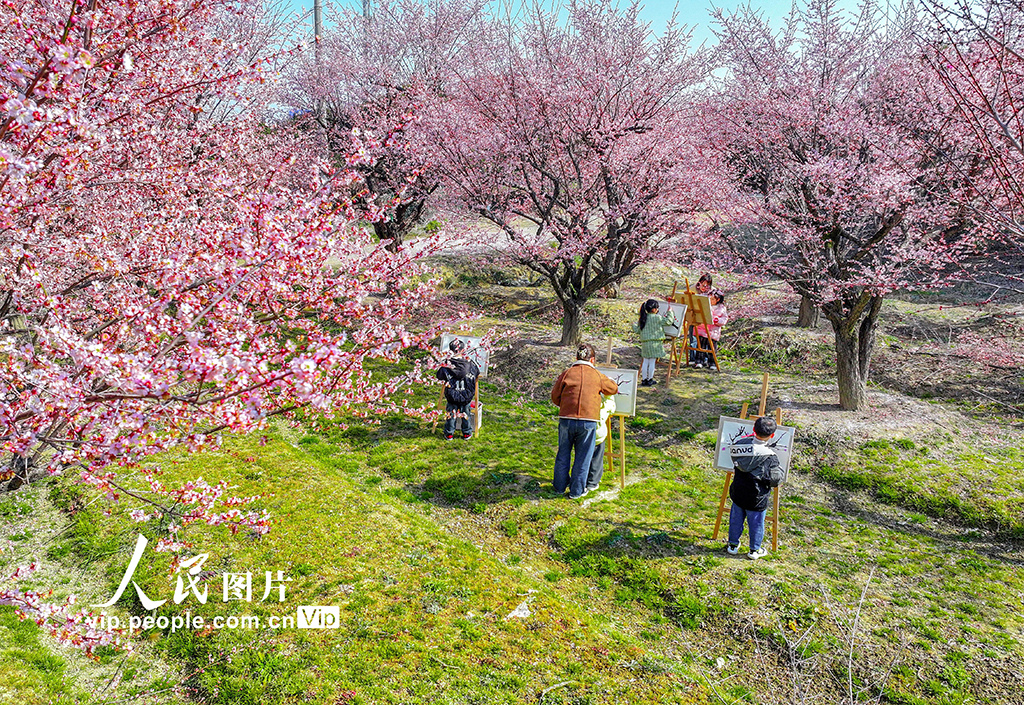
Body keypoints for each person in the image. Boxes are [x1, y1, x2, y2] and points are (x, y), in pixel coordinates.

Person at [551, 343, 619, 499]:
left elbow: (555, 396)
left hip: (566, 418)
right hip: (588, 420)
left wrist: (566, 405)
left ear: (576, 357)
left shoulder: (567, 373)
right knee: (583, 457)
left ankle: (559, 486)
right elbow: (613, 389)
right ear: (592, 359)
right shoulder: (596, 375)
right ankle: (576, 491)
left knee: (563, 453)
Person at [727, 416, 784, 559]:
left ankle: (732, 545)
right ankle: (754, 550)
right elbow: (775, 480)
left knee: (735, 520)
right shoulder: (771, 457)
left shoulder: (739, 445)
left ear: (753, 430)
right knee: (756, 524)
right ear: (772, 435)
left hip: (738, 492)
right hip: (757, 498)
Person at [436, 339, 480, 440]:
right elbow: (476, 373)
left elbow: (439, 375)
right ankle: (467, 433)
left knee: (451, 413)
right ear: (463, 350)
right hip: (466, 395)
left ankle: (449, 433)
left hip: (452, 394)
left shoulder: (446, 365)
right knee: (466, 413)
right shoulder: (471, 364)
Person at [633, 299, 678, 387]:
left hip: (645, 343)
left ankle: (643, 379)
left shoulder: (643, 318)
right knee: (652, 362)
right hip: (655, 343)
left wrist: (633, 324)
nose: (658, 310)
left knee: (646, 361)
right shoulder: (657, 318)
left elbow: (637, 330)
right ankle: (650, 379)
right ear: (654, 309)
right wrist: (670, 312)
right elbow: (669, 321)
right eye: (657, 308)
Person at [586, 392, 618, 493]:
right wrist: (609, 395)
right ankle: (592, 482)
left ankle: (581, 480)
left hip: (583, 434)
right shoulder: (604, 407)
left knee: (584, 457)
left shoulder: (586, 403)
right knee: (596, 458)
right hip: (598, 436)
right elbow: (610, 405)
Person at [692, 289, 728, 369]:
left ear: (718, 300)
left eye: (712, 299)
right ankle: (699, 361)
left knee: (712, 347)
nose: (710, 301)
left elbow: (725, 319)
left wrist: (717, 320)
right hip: (702, 329)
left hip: (713, 331)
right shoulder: (705, 305)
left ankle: (712, 363)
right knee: (700, 346)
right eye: (709, 298)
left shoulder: (722, 308)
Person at [689, 273, 714, 366]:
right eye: (703, 285)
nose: (705, 288)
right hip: (693, 316)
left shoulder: (712, 291)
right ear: (699, 283)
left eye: (708, 286)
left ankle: (705, 358)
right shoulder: (692, 289)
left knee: (705, 339)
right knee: (693, 338)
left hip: (705, 319)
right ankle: (693, 358)